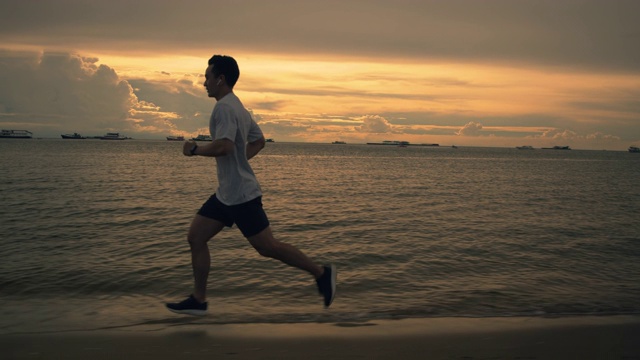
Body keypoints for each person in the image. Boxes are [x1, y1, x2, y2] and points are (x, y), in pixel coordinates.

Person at [166, 55, 336, 316]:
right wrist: (238, 161)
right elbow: (259, 141)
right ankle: (198, 300)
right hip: (227, 195)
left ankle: (321, 273)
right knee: (195, 237)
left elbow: (224, 146)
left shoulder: (224, 108)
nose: (204, 82)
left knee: (267, 247)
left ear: (220, 79)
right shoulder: (238, 107)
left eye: (207, 76)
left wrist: (195, 150)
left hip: (242, 196)